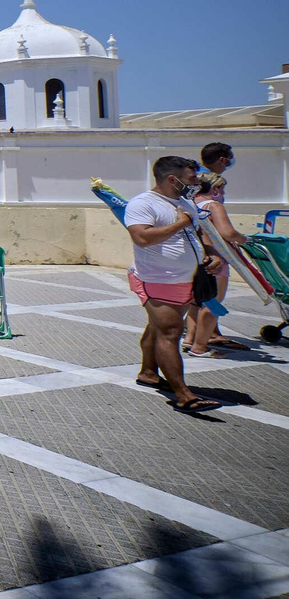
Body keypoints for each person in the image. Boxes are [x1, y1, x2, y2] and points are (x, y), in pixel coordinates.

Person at [125, 156, 224, 413]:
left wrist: (211, 255)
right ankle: (183, 395)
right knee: (170, 332)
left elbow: (197, 233)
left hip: (185, 279)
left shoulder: (183, 202)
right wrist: (181, 222)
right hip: (157, 279)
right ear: (173, 179)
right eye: (191, 177)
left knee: (158, 328)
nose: (196, 182)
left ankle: (148, 373)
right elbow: (142, 238)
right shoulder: (142, 203)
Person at [183, 175, 251, 357]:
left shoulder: (189, 205)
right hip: (216, 260)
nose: (222, 195)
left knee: (196, 301)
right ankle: (200, 346)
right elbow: (227, 232)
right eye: (222, 191)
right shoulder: (213, 205)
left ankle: (189, 338)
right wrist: (244, 239)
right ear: (214, 190)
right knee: (213, 304)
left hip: (195, 259)